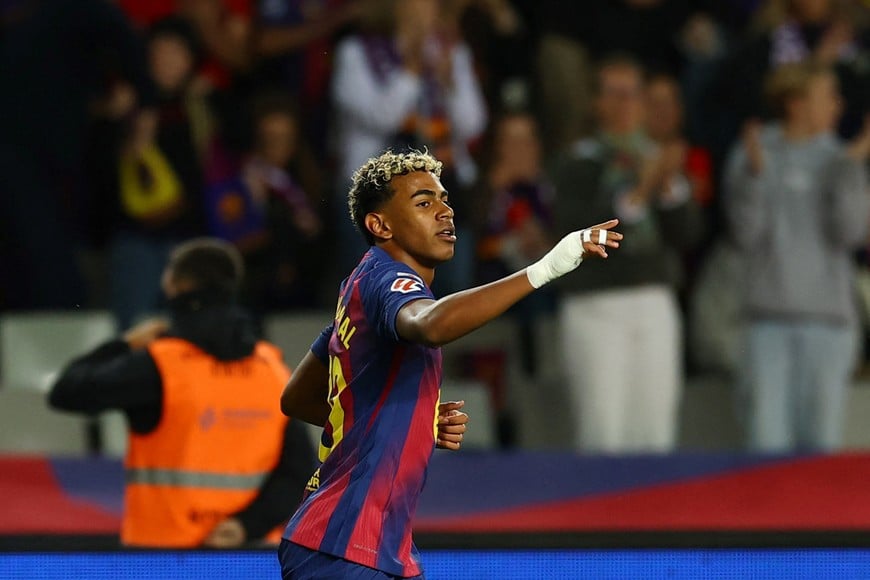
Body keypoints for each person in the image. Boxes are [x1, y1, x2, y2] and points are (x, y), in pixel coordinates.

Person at [277, 149, 622, 579]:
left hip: (359, 545)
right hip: (346, 547)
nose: (445, 211)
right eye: (423, 203)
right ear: (380, 225)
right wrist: (544, 269)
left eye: (443, 199)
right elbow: (430, 325)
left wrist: (409, 422)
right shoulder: (388, 280)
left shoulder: (358, 286)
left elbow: (297, 398)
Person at [47, 238, 316, 548]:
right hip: (243, 559)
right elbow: (300, 473)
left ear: (176, 284)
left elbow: (66, 391)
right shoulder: (273, 371)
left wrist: (123, 345)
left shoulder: (158, 365)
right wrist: (245, 526)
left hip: (159, 557)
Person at [548, 55, 703, 453]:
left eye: (632, 94)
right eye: (614, 94)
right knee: (603, 431)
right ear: (596, 102)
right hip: (596, 304)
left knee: (655, 431)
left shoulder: (655, 156)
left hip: (655, 300)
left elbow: (687, 234)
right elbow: (577, 231)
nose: (625, 104)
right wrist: (640, 190)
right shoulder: (577, 162)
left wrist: (667, 186)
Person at [724, 62, 870, 452]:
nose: (838, 105)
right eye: (829, 96)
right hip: (766, 321)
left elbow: (850, 233)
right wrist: (755, 176)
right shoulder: (754, 151)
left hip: (830, 322)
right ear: (796, 103)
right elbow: (745, 235)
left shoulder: (840, 156)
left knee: (821, 450)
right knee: (766, 444)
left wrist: (848, 168)